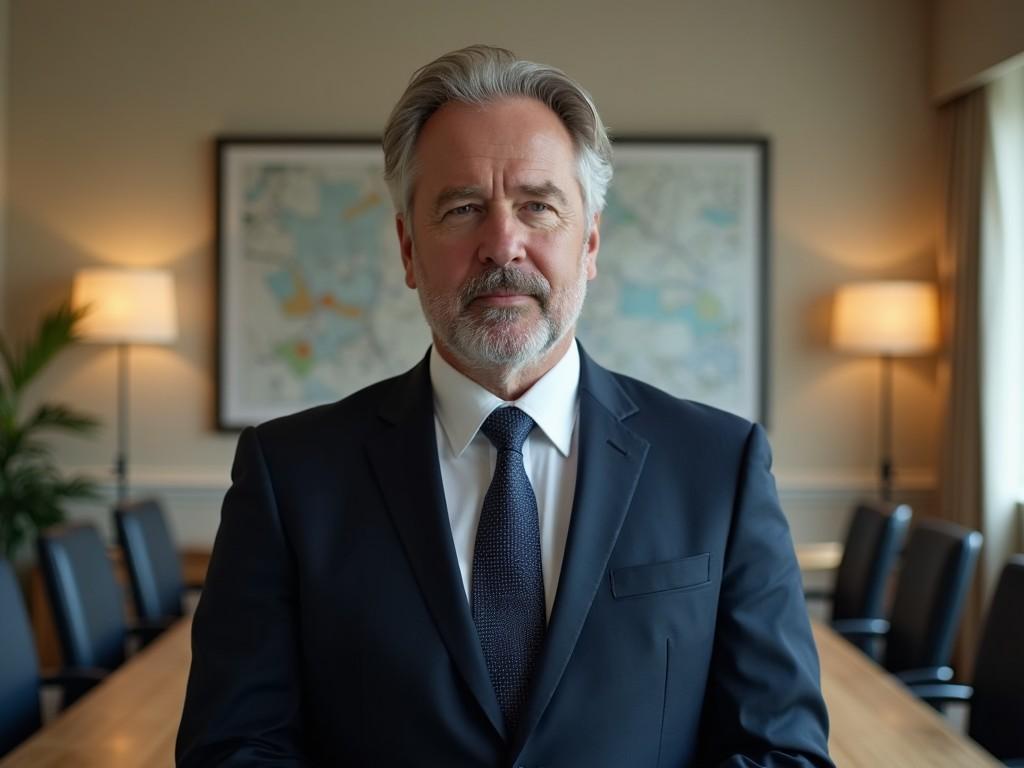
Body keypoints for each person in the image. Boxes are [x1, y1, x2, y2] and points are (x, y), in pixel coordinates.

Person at [177, 45, 833, 768]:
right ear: (406, 248)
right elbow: (236, 750)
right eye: (461, 209)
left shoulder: (720, 466)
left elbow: (780, 752)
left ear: (589, 243)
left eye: (537, 206)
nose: (502, 243)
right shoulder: (290, 475)